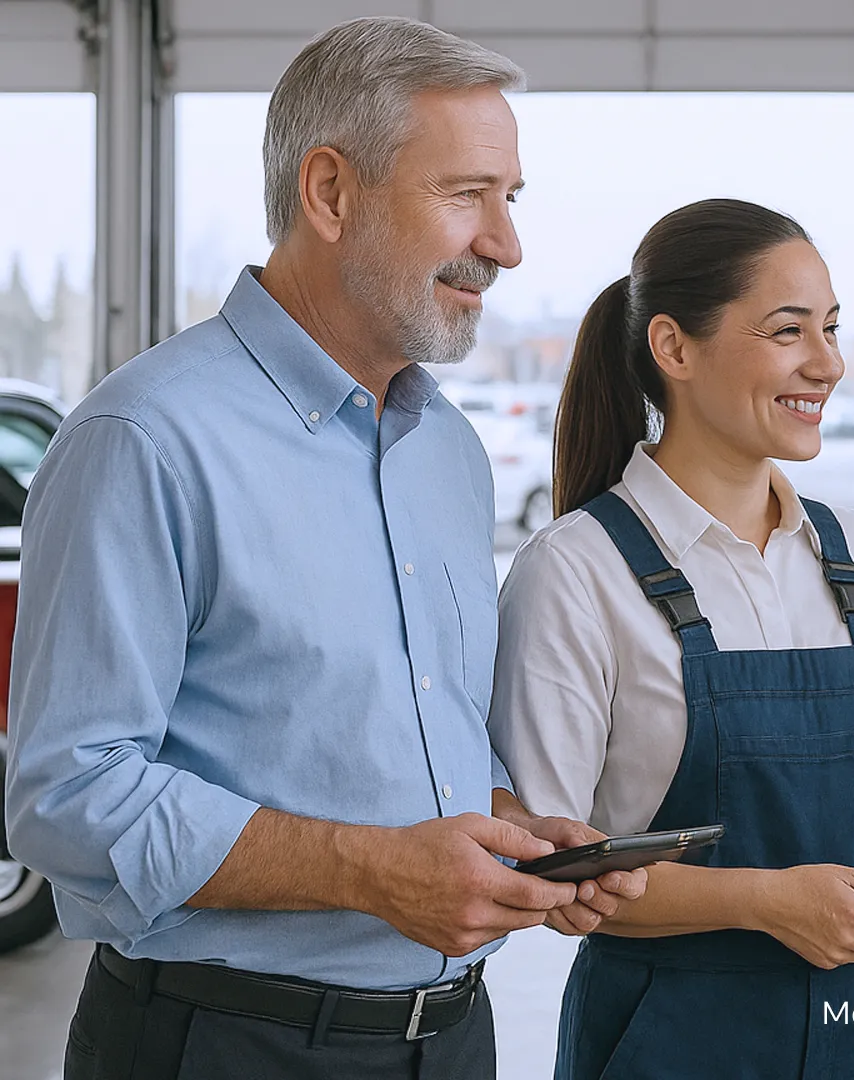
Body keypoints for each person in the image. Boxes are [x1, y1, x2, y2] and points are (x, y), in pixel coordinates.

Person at [2, 18, 642, 1080]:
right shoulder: (148, 440)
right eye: (466, 194)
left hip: (451, 1037)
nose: (506, 244)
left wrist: (518, 836)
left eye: (512, 199)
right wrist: (370, 870)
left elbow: (413, 743)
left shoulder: (449, 450)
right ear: (331, 194)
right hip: (223, 1044)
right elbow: (66, 794)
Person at [488, 198, 854, 1080]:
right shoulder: (577, 572)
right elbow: (558, 865)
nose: (827, 363)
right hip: (668, 1041)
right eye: (788, 331)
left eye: (832, 329)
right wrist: (767, 903)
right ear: (673, 348)